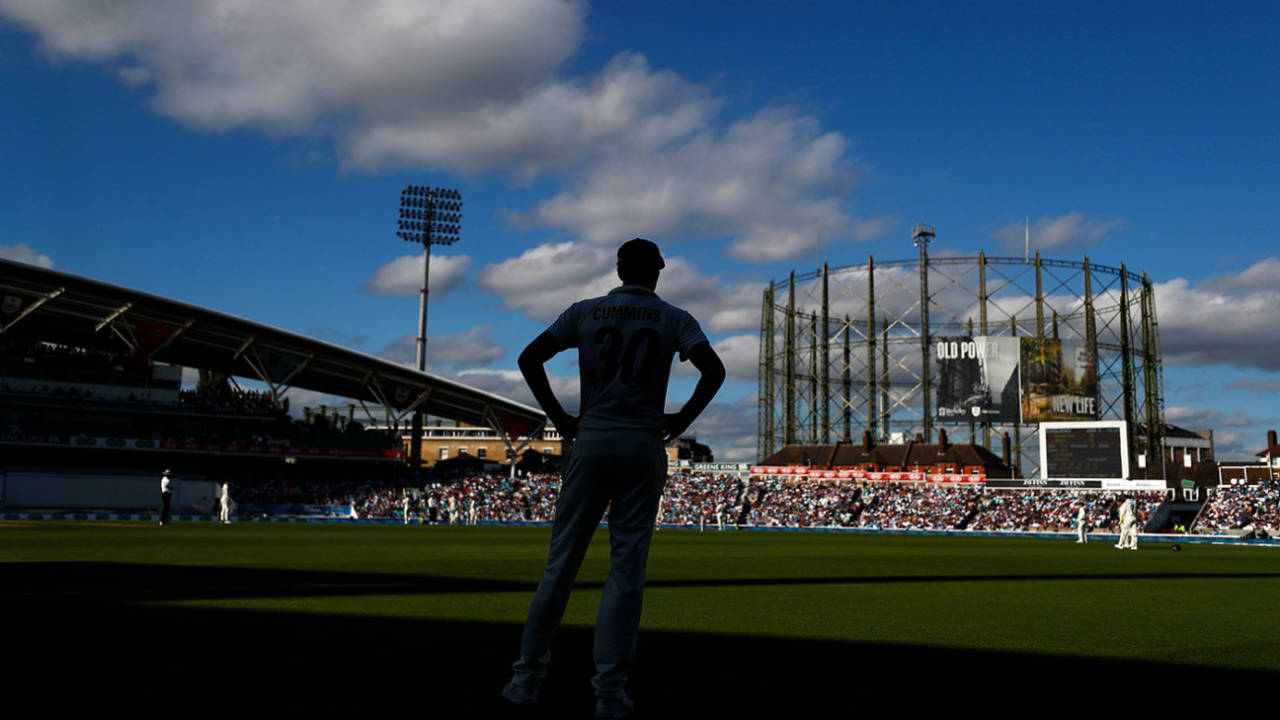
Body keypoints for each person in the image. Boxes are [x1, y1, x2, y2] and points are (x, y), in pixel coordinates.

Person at [501, 238, 725, 718]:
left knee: (560, 567)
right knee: (626, 572)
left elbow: (528, 358)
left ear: (619, 268)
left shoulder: (585, 311)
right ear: (658, 272)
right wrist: (681, 420)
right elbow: (714, 370)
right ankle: (609, 694)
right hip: (644, 444)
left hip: (594, 438)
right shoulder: (674, 318)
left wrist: (561, 418)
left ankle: (525, 681)